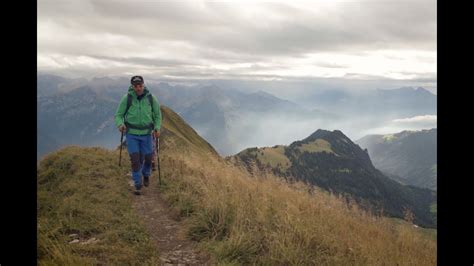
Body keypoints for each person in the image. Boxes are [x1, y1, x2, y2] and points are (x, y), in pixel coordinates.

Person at [114, 75, 162, 195]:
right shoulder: (127, 98)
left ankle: (146, 174)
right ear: (132, 86)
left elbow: (157, 115)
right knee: (135, 160)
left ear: (143, 85)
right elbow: (119, 115)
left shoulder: (151, 98)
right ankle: (137, 184)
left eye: (140, 85)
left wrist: (157, 127)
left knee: (148, 158)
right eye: (136, 86)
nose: (138, 88)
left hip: (147, 134)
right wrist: (120, 124)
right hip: (132, 134)